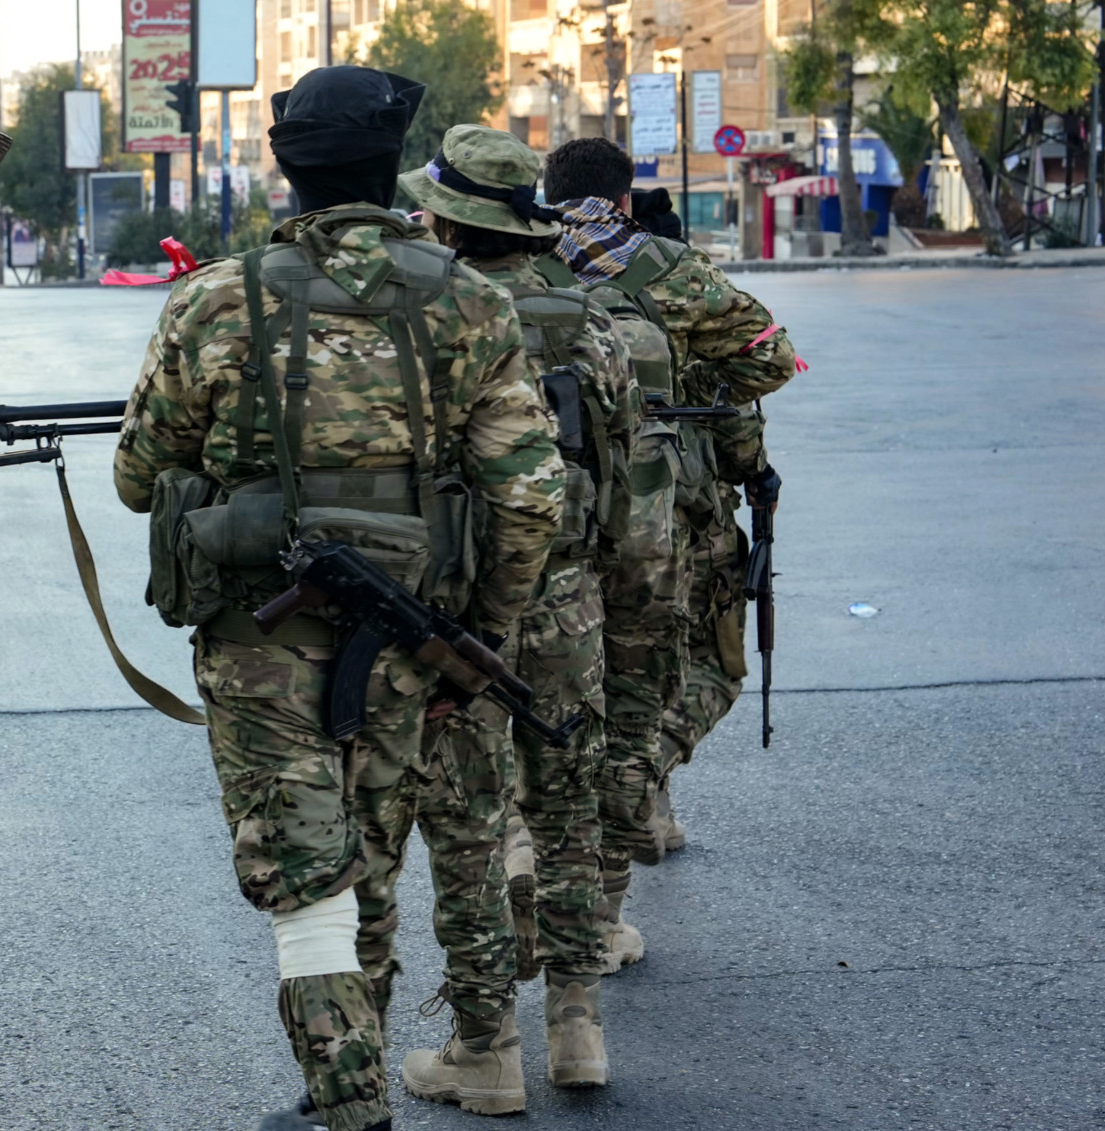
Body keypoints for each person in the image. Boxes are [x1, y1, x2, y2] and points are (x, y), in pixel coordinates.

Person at [114, 69, 563, 1131]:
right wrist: (479, 634)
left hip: (258, 645)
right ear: (392, 166)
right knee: (366, 856)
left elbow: (139, 475)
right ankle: (349, 1077)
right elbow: (530, 494)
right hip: (410, 639)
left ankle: (348, 1102)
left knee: (306, 874)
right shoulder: (469, 300)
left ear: (285, 166)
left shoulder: (216, 299)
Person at [394, 124, 672, 1112]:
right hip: (569, 608)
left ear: (444, 223)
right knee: (567, 818)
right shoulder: (597, 327)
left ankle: (486, 1049)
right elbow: (637, 498)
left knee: (466, 831)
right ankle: (577, 1030)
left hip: (455, 614)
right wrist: (627, 616)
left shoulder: (428, 325)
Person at [538, 137, 795, 962]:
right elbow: (771, 359)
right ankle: (635, 797)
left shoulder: (511, 262)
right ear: (624, 198)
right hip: (662, 512)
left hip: (537, 514)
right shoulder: (668, 268)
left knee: (546, 695)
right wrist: (686, 386)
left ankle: (544, 850)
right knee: (691, 672)